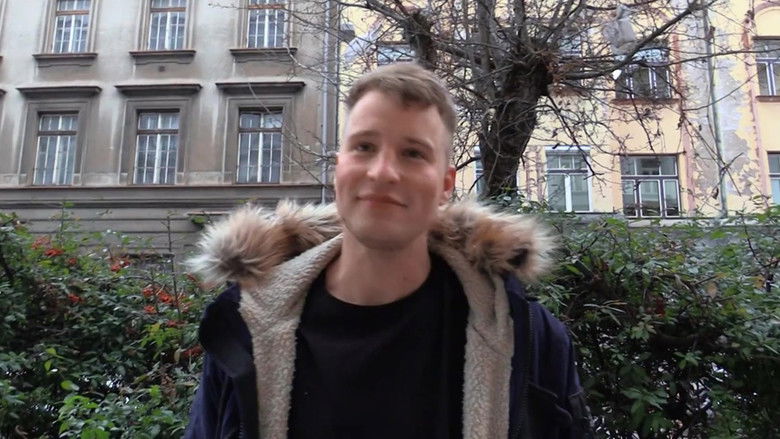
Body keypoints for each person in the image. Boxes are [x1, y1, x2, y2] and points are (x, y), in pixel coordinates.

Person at [184, 63, 591, 438]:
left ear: (445, 184)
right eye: (364, 147)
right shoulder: (246, 326)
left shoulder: (526, 336)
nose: (382, 172)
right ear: (338, 167)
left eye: (413, 153)